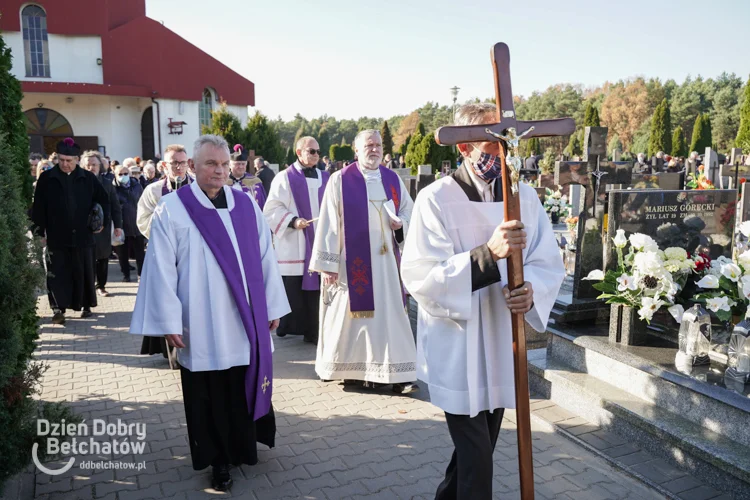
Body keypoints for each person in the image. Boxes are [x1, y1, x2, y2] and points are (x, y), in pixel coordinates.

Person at [400, 103, 565, 499]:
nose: (498, 154)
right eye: (489, 145)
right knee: (478, 462)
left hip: (502, 340)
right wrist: (488, 254)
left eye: (503, 145)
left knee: (477, 453)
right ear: (462, 147)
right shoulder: (435, 199)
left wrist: (532, 289)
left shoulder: (522, 195)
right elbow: (422, 275)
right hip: (459, 344)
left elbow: (547, 259)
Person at [130, 134, 290, 492]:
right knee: (210, 392)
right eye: (210, 164)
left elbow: (266, 257)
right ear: (192, 167)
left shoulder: (246, 205)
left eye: (222, 165)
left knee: (240, 383)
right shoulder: (172, 208)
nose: (219, 171)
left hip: (245, 320)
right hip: (201, 321)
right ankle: (217, 461)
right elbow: (160, 269)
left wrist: (273, 305)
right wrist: (168, 322)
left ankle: (243, 448)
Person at [310, 129, 418, 392]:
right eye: (368, 145)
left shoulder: (392, 179)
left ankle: (396, 372)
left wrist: (400, 223)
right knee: (352, 317)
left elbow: (408, 210)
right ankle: (353, 370)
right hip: (352, 264)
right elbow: (329, 223)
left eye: (378, 145)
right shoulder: (340, 180)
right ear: (356, 150)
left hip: (387, 264)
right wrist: (329, 265)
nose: (375, 149)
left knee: (390, 315)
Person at [31, 138, 110, 324]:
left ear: (76, 159)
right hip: (57, 237)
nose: (65, 164)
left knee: (83, 272)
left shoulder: (88, 178)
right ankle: (58, 308)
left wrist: (101, 222)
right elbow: (39, 208)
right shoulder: (47, 179)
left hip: (83, 236)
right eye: (61, 160)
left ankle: (86, 306)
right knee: (57, 274)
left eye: (69, 160)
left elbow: (103, 200)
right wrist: (39, 233)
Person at [264, 137, 328, 343]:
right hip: (296, 242)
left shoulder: (326, 177)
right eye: (311, 151)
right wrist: (293, 221)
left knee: (320, 290)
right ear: (299, 153)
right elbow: (271, 209)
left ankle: (316, 332)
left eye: (318, 151)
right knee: (295, 290)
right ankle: (293, 327)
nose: (316, 154)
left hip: (322, 240)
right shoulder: (284, 178)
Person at [81, 151, 123, 297]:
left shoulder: (107, 184)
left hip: (103, 227)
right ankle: (88, 287)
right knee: (86, 258)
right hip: (83, 228)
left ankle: (101, 286)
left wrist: (118, 226)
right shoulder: (77, 183)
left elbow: (115, 206)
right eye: (87, 165)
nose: (91, 168)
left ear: (100, 166)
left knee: (102, 257)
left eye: (94, 164)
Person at [137, 144, 193, 239]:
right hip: (165, 243)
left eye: (183, 163)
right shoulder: (153, 190)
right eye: (174, 163)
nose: (179, 167)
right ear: (164, 165)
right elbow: (143, 221)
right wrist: (165, 213)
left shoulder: (199, 188)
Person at [113, 164, 145, 282]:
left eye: (125, 174)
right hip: (121, 226)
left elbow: (142, 202)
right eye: (120, 174)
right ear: (115, 175)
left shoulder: (137, 186)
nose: (123, 176)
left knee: (140, 254)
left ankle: (141, 275)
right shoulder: (113, 188)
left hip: (137, 225)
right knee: (123, 255)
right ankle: (126, 275)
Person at [227, 144, 267, 209]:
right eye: (237, 164)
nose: (240, 167)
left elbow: (263, 206)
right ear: (230, 165)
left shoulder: (255, 182)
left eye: (243, 164)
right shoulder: (222, 182)